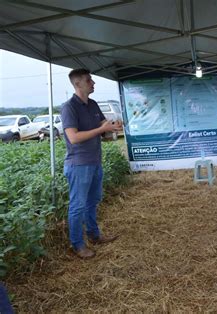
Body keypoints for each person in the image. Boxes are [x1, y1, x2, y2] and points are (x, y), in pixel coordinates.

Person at [61, 68, 122, 259]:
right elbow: (73, 137)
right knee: (78, 205)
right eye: (89, 80)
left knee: (92, 201)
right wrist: (100, 129)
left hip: (94, 161)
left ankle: (94, 236)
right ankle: (77, 245)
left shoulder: (93, 104)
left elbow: (104, 127)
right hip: (79, 164)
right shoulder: (69, 107)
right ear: (77, 84)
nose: (93, 83)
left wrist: (113, 127)